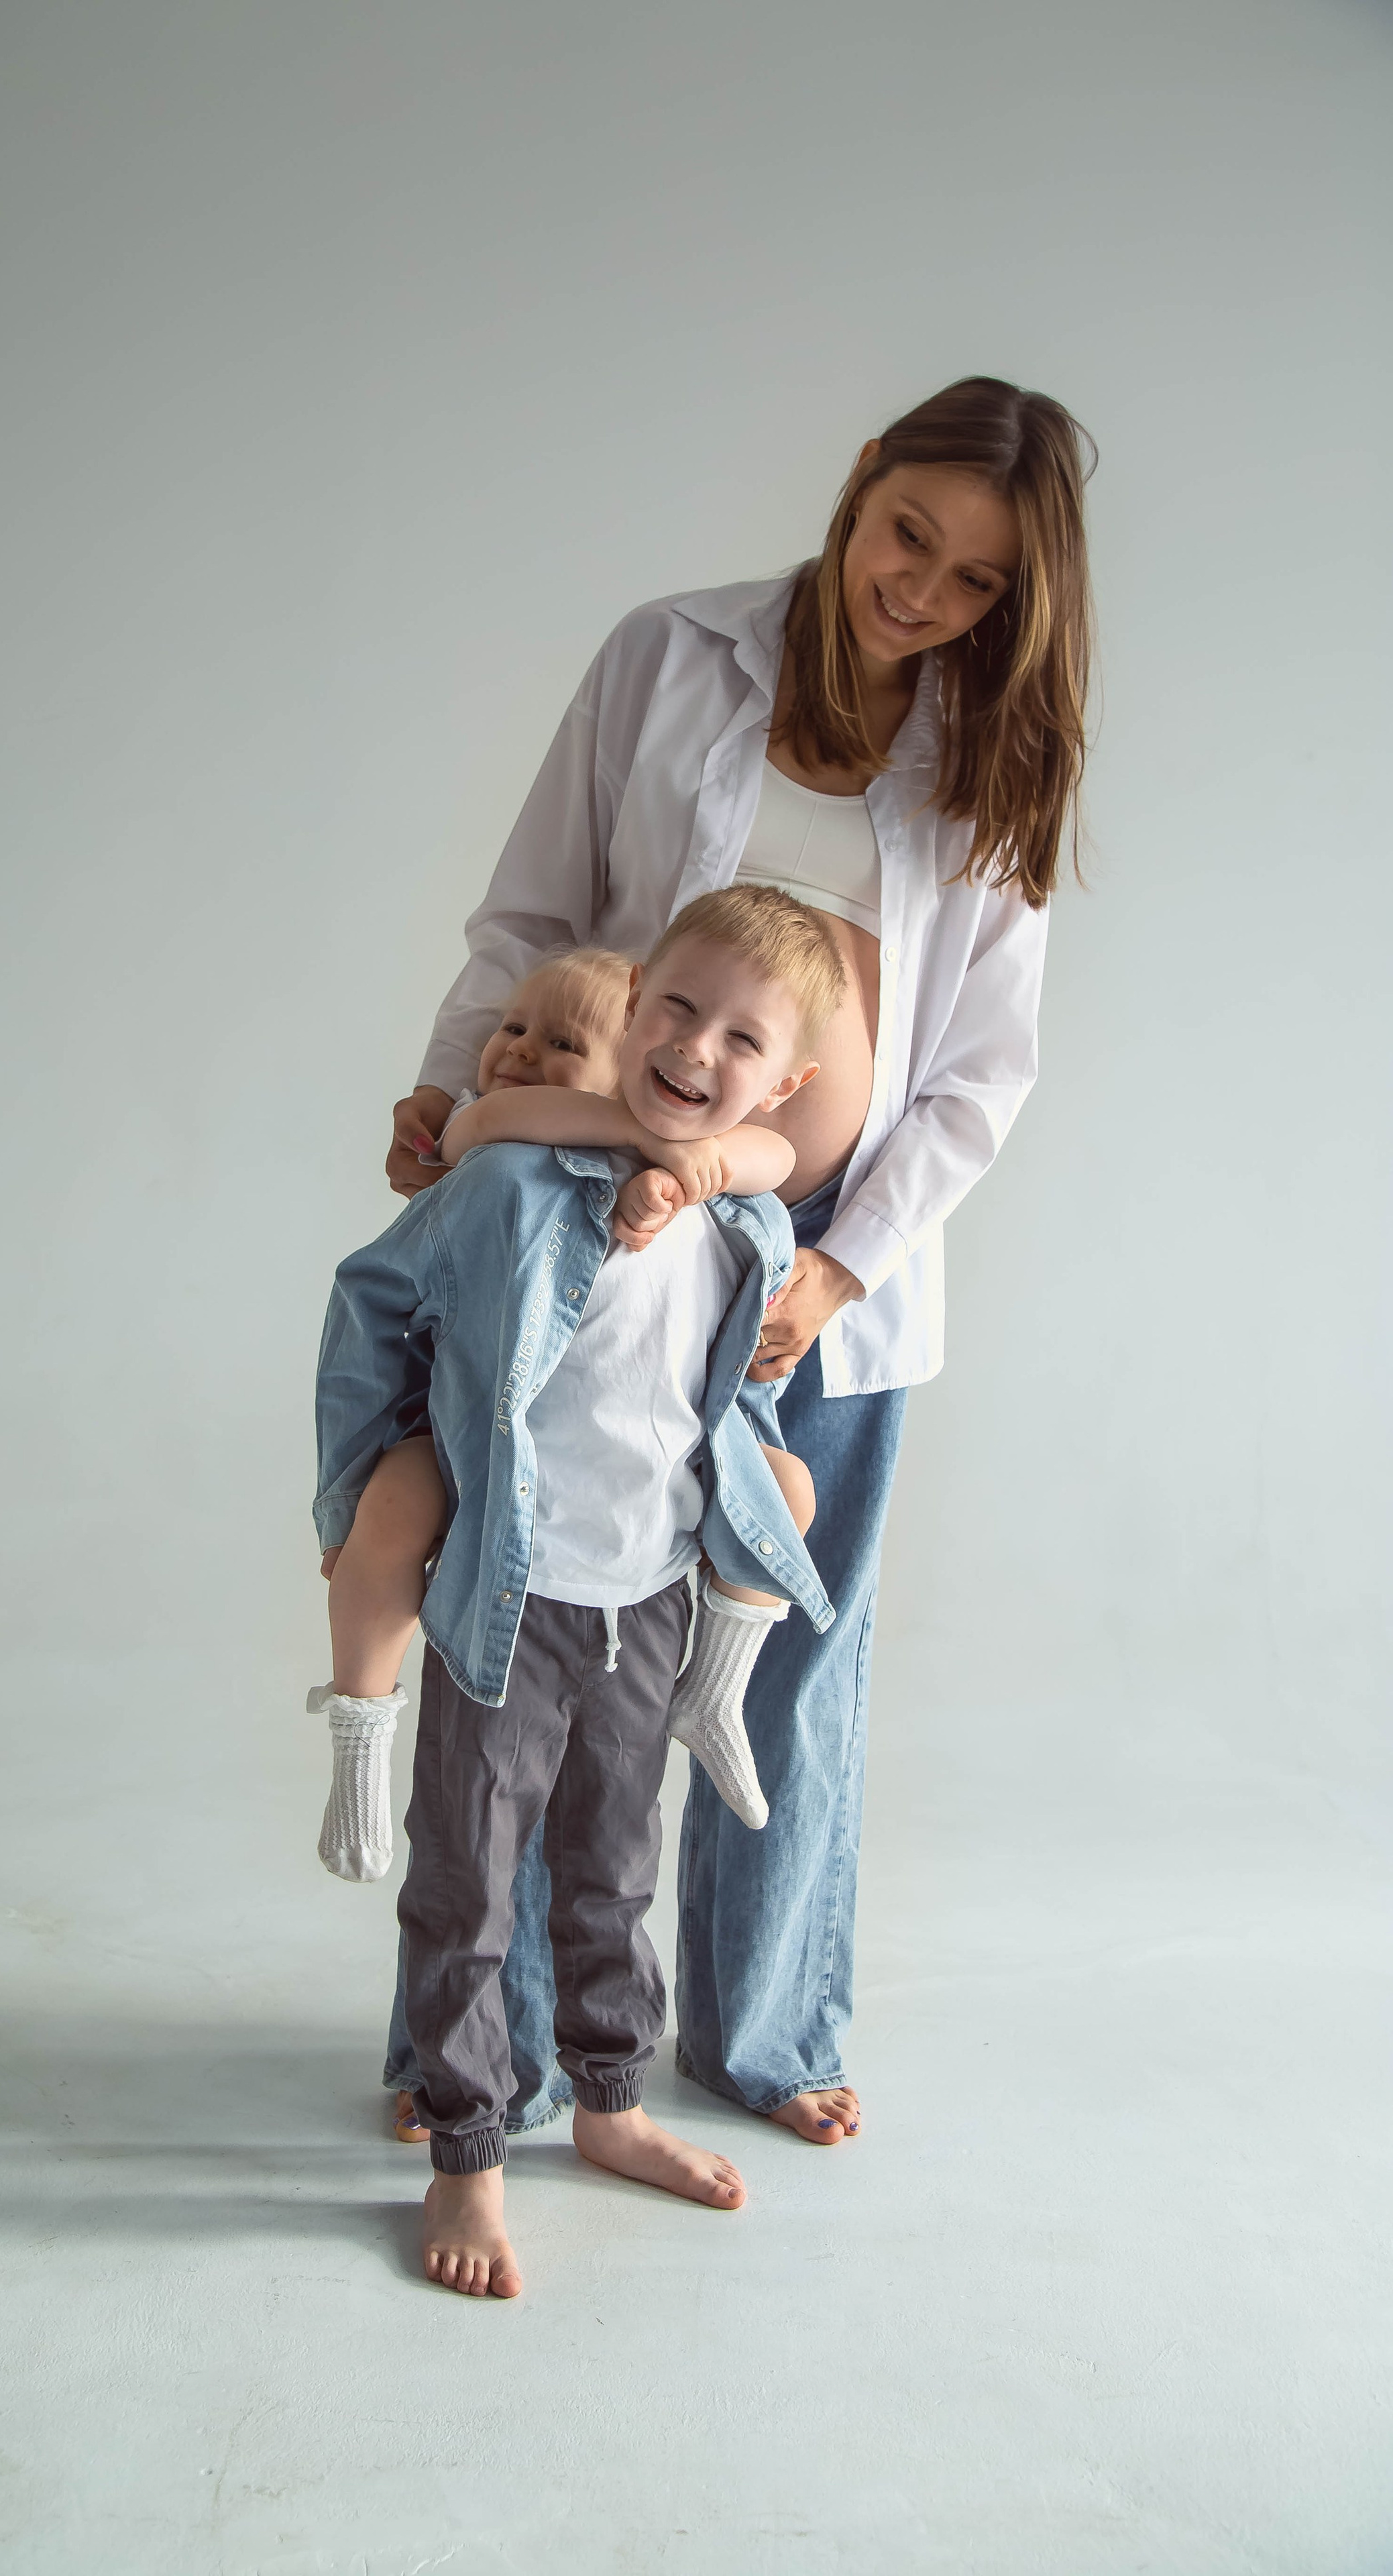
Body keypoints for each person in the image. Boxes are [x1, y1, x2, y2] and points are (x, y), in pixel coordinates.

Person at [382, 375, 1096, 2150]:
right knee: (534, 1644)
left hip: (815, 1295)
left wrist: (841, 1268)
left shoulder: (995, 761)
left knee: (786, 1664)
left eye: (978, 582)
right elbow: (536, 913)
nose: (920, 593)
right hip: (605, 1253)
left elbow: (974, 1077)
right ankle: (495, 2050)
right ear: (859, 489)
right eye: (907, 535)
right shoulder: (669, 656)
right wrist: (450, 1075)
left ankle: (765, 2036)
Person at [313, 892, 841, 2295]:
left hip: (648, 1596)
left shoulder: (743, 1221)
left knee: (614, 1871)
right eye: (672, 1009)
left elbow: (718, 1367)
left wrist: (713, 1173)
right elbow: (369, 1296)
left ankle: (610, 2106)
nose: (692, 1048)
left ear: (776, 1082)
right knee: (468, 1883)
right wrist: (351, 1484)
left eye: (739, 1038)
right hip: (512, 1601)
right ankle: (466, 2151)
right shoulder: (501, 1188)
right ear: (630, 1016)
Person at [312, 924, 824, 1886]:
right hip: (462, 1421)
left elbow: (775, 1160)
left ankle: (715, 1691)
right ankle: (359, 1737)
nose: (518, 1054)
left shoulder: (709, 1195)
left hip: (628, 1520)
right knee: (391, 1511)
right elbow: (478, 1133)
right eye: (512, 1026)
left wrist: (690, 1164)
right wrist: (647, 1138)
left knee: (788, 1489)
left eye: (558, 1044)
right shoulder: (499, 1147)